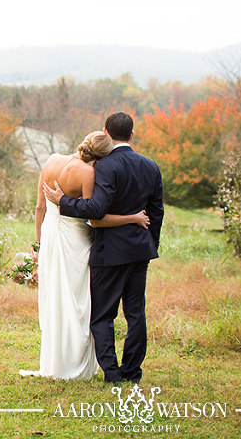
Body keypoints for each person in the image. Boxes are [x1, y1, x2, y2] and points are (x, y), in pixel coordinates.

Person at [43, 112, 164, 383]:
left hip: (109, 252)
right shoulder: (151, 166)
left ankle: (112, 373)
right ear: (132, 135)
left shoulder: (104, 165)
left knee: (103, 315)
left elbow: (96, 210)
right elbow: (157, 212)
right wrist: (149, 243)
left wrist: (63, 201)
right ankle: (132, 372)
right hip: (139, 251)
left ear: (106, 132)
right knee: (135, 313)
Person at [20, 131, 150, 380]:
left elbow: (40, 208)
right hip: (74, 239)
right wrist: (133, 218)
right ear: (101, 158)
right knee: (78, 300)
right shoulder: (88, 173)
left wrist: (39, 246)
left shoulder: (52, 160)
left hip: (50, 236)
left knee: (55, 298)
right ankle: (74, 363)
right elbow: (93, 218)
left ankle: (55, 361)